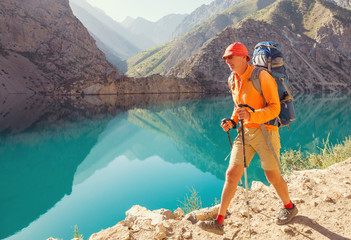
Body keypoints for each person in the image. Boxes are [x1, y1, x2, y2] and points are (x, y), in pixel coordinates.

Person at [198, 42, 298, 234]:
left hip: (266, 132)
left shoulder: (262, 76)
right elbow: (239, 108)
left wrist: (252, 116)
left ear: (245, 57)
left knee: (272, 176)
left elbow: (274, 108)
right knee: (231, 174)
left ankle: (289, 207)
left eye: (231, 57)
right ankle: (219, 221)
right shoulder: (232, 79)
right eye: (226, 58)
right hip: (244, 133)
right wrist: (232, 122)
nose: (227, 61)